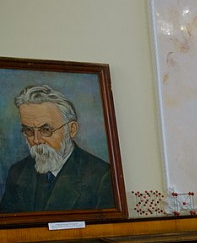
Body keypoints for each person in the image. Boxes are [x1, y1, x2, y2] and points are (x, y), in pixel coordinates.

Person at [1, 84, 114, 213]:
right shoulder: (17, 172)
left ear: (71, 130)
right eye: (29, 131)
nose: (36, 140)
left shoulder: (101, 177)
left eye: (46, 129)